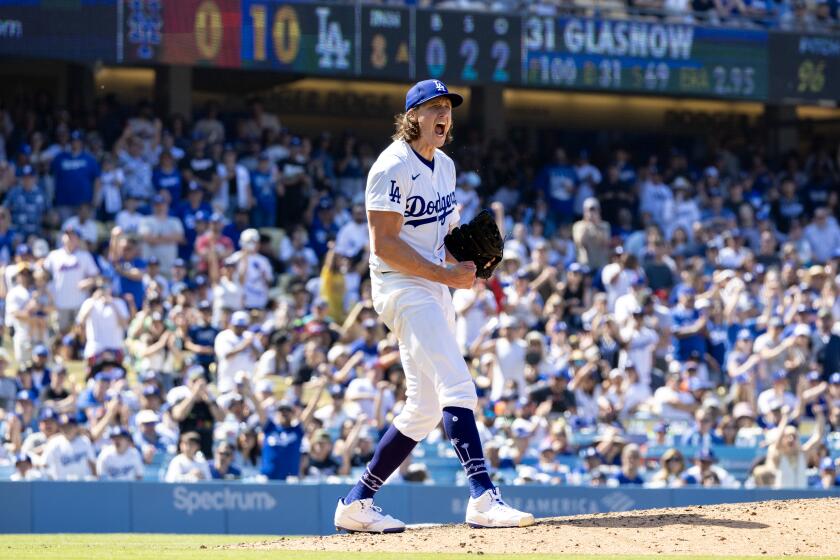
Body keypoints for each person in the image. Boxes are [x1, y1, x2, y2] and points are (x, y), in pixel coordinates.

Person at [334, 79, 533, 534]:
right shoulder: (391, 167)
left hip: (432, 284)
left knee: (422, 409)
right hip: (400, 286)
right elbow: (384, 245)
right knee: (458, 386)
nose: (444, 115)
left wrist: (469, 263)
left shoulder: (445, 167)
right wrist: (445, 274)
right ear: (412, 118)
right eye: (434, 107)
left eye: (448, 107)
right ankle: (483, 496)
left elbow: (444, 238)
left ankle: (357, 501)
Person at [42, 225, 100, 332]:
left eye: (73, 236)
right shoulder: (54, 255)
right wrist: (47, 291)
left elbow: (96, 277)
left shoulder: (85, 256)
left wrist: (88, 282)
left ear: (78, 239)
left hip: (79, 302)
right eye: (67, 235)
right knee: (61, 335)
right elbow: (42, 275)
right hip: (59, 303)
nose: (69, 238)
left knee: (78, 335)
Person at [41, 414, 96, 480]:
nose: (66, 429)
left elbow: (92, 463)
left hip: (82, 484)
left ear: (76, 427)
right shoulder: (53, 443)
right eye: (63, 427)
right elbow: (44, 464)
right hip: (61, 485)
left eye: (69, 426)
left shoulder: (84, 441)